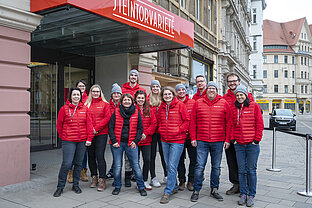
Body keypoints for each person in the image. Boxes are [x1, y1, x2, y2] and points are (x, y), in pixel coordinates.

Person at [190, 81, 231, 202]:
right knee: (199, 166)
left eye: (214, 88)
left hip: (218, 141)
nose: (211, 90)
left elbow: (229, 123)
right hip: (201, 140)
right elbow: (193, 122)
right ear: (206, 90)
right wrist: (193, 137)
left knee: (216, 167)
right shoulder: (198, 103)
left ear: (217, 91)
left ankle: (214, 189)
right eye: (209, 88)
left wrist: (227, 139)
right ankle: (196, 189)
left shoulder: (224, 103)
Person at [53, 88, 93, 197]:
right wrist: (63, 136)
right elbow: (59, 125)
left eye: (78, 95)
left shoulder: (85, 109)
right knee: (67, 163)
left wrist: (89, 138)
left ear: (80, 96)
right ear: (70, 96)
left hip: (81, 141)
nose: (76, 96)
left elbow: (89, 125)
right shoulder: (64, 109)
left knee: (79, 163)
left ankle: (76, 185)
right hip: (68, 141)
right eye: (74, 94)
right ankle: (60, 187)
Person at [108, 93, 147, 196]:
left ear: (132, 102)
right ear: (121, 101)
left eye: (129, 100)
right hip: (118, 143)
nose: (127, 102)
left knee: (136, 166)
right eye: (124, 100)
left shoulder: (136, 112)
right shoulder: (116, 112)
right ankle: (117, 186)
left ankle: (141, 186)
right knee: (117, 165)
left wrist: (135, 141)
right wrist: (114, 140)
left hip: (131, 143)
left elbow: (140, 128)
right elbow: (110, 127)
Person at [222, 73, 254, 195]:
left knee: (244, 162)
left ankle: (245, 186)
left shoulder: (247, 96)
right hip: (229, 135)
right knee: (231, 161)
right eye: (229, 81)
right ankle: (236, 184)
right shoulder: (224, 98)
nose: (232, 83)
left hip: (243, 136)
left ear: (239, 82)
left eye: (234, 81)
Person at [232, 85, 264, 207]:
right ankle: (243, 194)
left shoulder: (254, 106)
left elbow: (260, 124)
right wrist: (233, 139)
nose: (239, 97)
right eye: (237, 95)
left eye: (241, 95)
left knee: (251, 170)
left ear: (245, 95)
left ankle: (251, 195)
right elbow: (231, 124)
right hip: (239, 144)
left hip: (252, 145)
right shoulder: (234, 108)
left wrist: (256, 140)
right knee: (241, 170)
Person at [158, 86, 190, 204]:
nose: (167, 96)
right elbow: (159, 121)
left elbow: (187, 120)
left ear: (173, 95)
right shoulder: (161, 107)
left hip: (177, 140)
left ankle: (167, 191)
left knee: (171, 165)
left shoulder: (180, 105)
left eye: (169, 94)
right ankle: (174, 186)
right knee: (168, 165)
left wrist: (179, 130)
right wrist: (161, 129)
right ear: (163, 96)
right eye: (165, 94)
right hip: (165, 140)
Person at [121, 69, 146, 186]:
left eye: (135, 75)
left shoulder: (141, 90)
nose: (133, 77)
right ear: (129, 76)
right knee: (127, 157)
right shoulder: (123, 89)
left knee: (135, 157)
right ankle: (127, 175)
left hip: (137, 124)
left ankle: (137, 176)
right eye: (131, 75)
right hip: (127, 127)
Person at [85, 84, 111, 191]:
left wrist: (97, 128)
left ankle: (102, 179)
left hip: (101, 133)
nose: (96, 93)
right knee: (91, 156)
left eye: (97, 91)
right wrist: (92, 130)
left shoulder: (105, 104)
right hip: (89, 134)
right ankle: (94, 177)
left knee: (100, 156)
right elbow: (86, 119)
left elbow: (107, 118)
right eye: (94, 91)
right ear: (91, 93)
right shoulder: (86, 104)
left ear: (100, 93)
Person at [175, 84, 196, 191]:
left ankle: (191, 180)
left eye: (183, 89)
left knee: (194, 160)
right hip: (179, 137)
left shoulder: (193, 103)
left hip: (191, 137)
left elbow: (195, 119)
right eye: (179, 90)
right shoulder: (174, 103)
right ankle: (181, 180)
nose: (181, 91)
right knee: (179, 160)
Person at [67, 80, 89, 183]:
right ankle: (70, 172)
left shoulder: (89, 99)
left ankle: (83, 171)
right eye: (79, 86)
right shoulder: (71, 99)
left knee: (83, 154)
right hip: (72, 133)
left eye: (83, 86)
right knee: (71, 154)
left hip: (84, 131)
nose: (81, 88)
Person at [135, 90, 157, 190]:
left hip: (146, 140)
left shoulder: (149, 110)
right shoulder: (132, 109)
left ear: (145, 99)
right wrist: (138, 135)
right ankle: (139, 181)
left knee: (147, 160)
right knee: (135, 162)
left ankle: (144, 180)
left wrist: (146, 133)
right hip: (134, 140)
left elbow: (154, 124)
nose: (140, 100)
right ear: (135, 99)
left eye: (142, 98)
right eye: (139, 98)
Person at [148, 80, 167, 187]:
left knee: (164, 154)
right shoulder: (147, 99)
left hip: (163, 131)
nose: (155, 88)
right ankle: (153, 177)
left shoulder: (164, 98)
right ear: (151, 88)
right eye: (153, 86)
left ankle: (166, 175)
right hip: (152, 132)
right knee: (152, 155)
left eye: (157, 86)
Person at [106, 83, 122, 180]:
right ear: (111, 95)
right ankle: (114, 173)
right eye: (114, 93)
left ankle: (115, 173)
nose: (116, 95)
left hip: (123, 135)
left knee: (120, 158)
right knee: (116, 157)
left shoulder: (124, 104)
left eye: (118, 93)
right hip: (113, 135)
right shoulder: (108, 106)